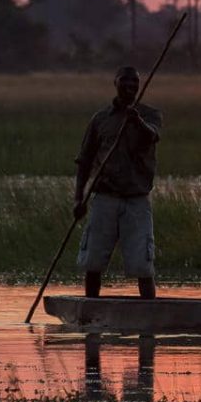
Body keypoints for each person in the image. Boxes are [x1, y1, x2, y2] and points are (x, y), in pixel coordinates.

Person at [73, 66, 162, 299]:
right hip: (105, 198)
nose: (131, 87)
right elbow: (85, 162)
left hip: (137, 200)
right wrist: (78, 199)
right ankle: (91, 310)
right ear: (116, 84)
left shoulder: (151, 114)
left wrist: (137, 120)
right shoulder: (100, 119)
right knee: (93, 261)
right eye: (125, 82)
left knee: (143, 264)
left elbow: (152, 135)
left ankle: (149, 317)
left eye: (135, 83)